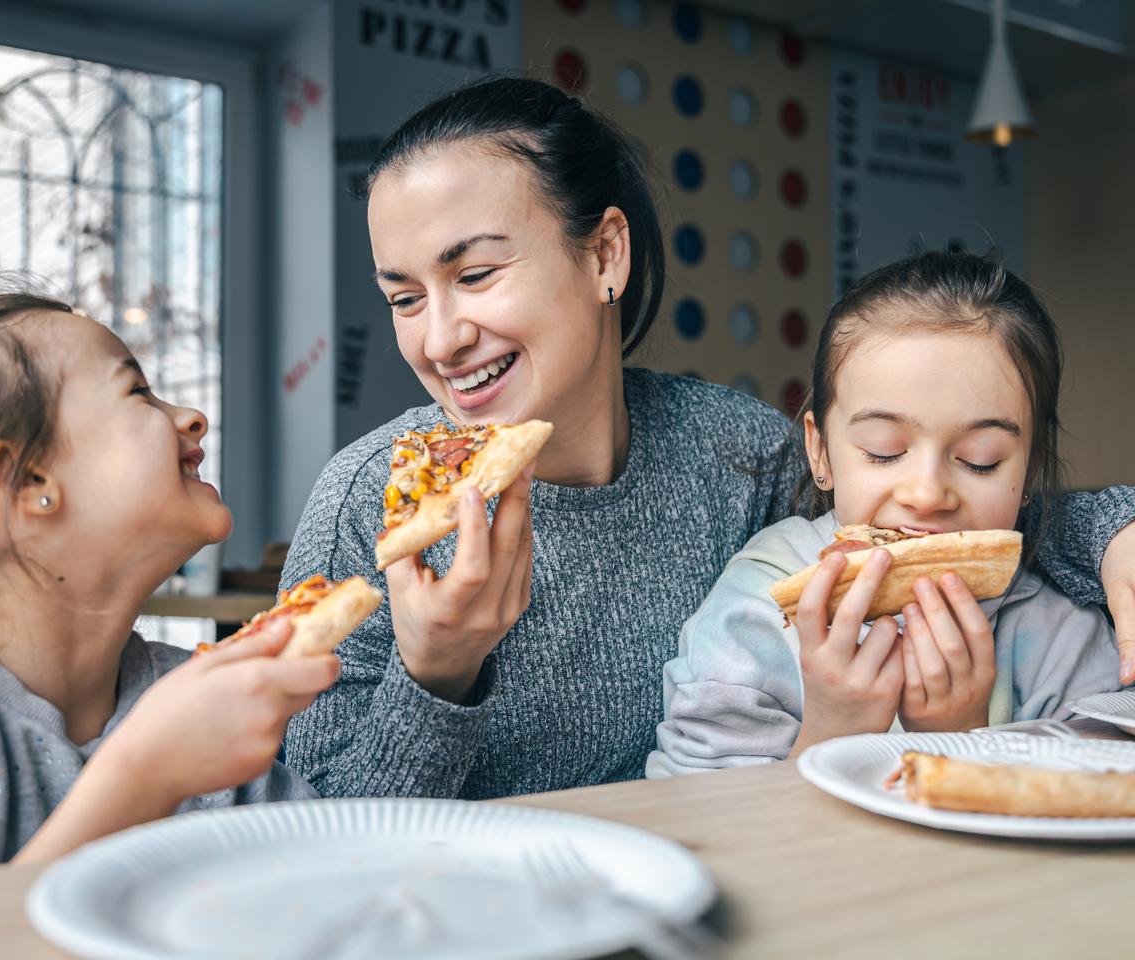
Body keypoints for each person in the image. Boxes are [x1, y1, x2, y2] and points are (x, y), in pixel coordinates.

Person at [281, 77, 1135, 799]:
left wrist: (1116, 533)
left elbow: (942, 528)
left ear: (605, 254)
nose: (439, 339)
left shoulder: (737, 456)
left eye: (473, 276)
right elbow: (312, 832)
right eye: (404, 298)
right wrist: (438, 675)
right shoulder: (371, 501)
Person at [0, 278, 339, 881]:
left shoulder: (189, 693)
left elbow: (321, 893)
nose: (193, 417)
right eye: (138, 392)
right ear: (29, 482)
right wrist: (146, 776)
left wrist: (439, 664)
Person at [648, 251, 1125, 775]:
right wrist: (831, 734)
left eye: (979, 460)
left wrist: (961, 740)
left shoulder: (1060, 634)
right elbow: (694, 810)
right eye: (883, 451)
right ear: (821, 452)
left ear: (1030, 472)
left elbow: (1095, 804)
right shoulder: (761, 602)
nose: (925, 493)